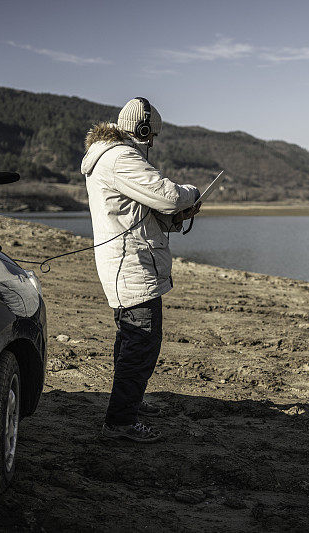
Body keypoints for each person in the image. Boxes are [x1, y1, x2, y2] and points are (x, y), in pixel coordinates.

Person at [80, 97, 200, 443]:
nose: (153, 142)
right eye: (152, 135)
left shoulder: (113, 157)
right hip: (130, 266)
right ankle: (120, 422)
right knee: (141, 343)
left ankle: (128, 405)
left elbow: (142, 213)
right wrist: (190, 195)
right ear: (143, 130)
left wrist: (175, 219)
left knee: (130, 340)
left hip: (128, 264)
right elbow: (169, 195)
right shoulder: (122, 158)